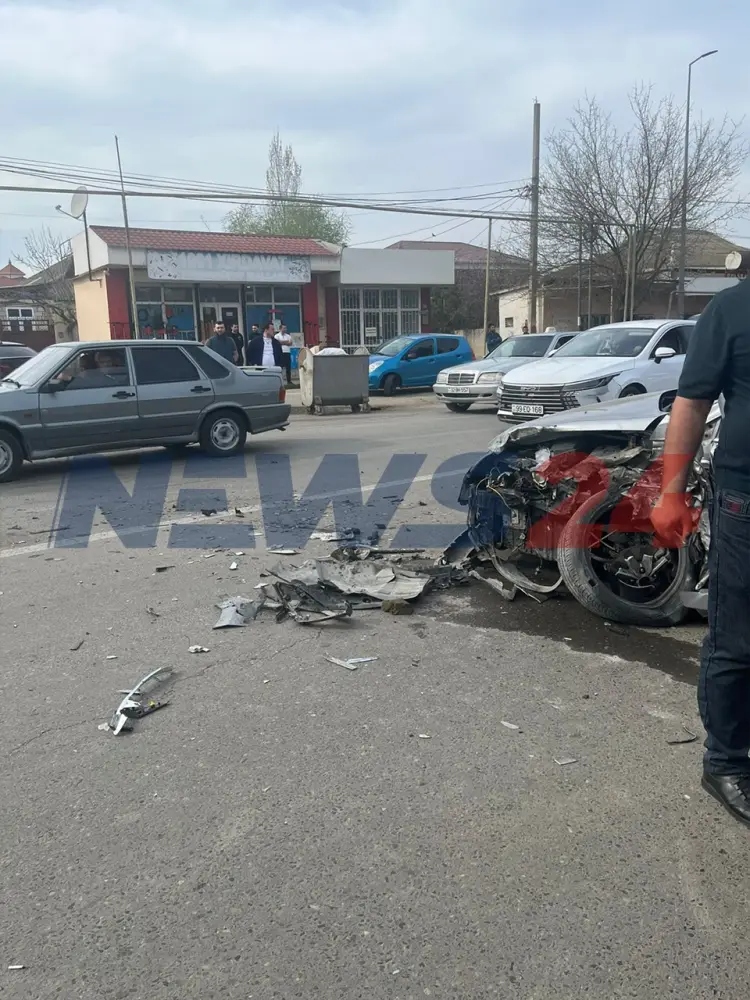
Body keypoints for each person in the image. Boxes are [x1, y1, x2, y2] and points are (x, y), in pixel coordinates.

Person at [651, 281, 750, 827]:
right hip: (745, 501)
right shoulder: (732, 308)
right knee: (738, 637)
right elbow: (692, 403)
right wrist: (672, 492)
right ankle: (727, 763)